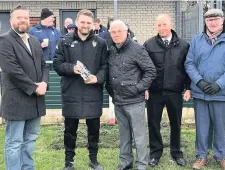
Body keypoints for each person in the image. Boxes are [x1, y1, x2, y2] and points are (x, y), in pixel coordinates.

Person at [185, 9, 225, 170]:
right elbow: (189, 63)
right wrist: (199, 81)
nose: (212, 22)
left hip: (221, 93)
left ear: (222, 20)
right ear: (205, 22)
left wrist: (219, 84)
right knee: (201, 127)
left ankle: (221, 156)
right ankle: (201, 156)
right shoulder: (197, 40)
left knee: (220, 126)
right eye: (209, 20)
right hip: (201, 92)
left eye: (216, 19)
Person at [53, 9, 108, 170]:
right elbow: (57, 64)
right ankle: (69, 162)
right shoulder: (64, 41)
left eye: (88, 23)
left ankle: (93, 160)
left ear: (93, 24)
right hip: (71, 92)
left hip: (93, 93)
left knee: (94, 131)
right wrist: (72, 68)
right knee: (70, 131)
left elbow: (105, 66)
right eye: (82, 22)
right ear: (77, 23)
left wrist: (97, 78)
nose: (85, 25)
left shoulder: (101, 43)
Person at [0, 4, 49, 170]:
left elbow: (44, 66)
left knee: (30, 139)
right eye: (19, 17)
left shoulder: (34, 41)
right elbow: (12, 70)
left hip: (35, 100)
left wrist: (44, 83)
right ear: (11, 20)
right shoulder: (4, 40)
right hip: (16, 101)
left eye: (26, 18)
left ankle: (27, 167)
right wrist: (35, 87)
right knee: (14, 142)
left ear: (30, 21)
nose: (23, 20)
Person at [106, 20, 156, 170]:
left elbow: (151, 71)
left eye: (119, 31)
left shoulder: (137, 49)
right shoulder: (111, 50)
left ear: (126, 31)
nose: (116, 34)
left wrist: (138, 88)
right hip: (118, 101)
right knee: (124, 135)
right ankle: (125, 163)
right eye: (113, 32)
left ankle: (142, 165)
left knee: (139, 136)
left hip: (134, 101)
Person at [143, 14, 191, 167]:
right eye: (159, 25)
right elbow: (144, 68)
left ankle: (176, 152)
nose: (162, 28)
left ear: (171, 25)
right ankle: (155, 153)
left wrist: (188, 88)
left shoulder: (183, 45)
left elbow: (187, 68)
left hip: (175, 92)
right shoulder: (149, 44)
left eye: (164, 24)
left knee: (176, 123)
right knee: (153, 123)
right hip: (155, 92)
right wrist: (145, 87)